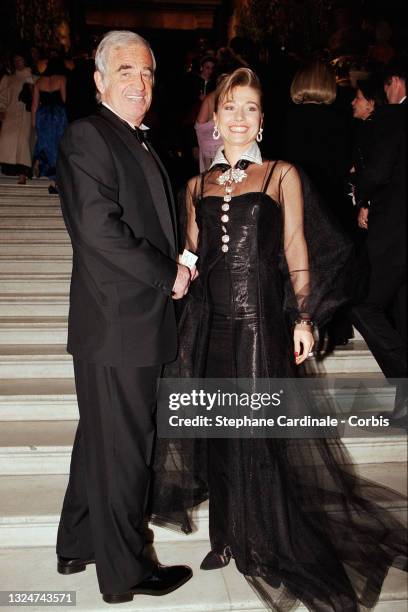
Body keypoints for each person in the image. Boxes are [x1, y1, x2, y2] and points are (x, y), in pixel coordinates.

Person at [152, 68, 407, 612]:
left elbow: (297, 252)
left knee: (260, 435)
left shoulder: (279, 175)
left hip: (262, 324)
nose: (238, 117)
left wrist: (305, 317)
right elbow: (193, 256)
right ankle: (225, 534)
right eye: (229, 108)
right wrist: (174, 275)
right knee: (219, 431)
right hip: (210, 324)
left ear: (261, 120)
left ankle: (263, 538)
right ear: (215, 120)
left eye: (249, 108)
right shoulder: (195, 185)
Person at [55, 30, 193, 604]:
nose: (140, 83)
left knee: (100, 440)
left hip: (125, 323)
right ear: (99, 81)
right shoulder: (90, 135)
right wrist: (169, 274)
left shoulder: (132, 139)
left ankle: (77, 541)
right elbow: (97, 229)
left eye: (147, 74)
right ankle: (127, 572)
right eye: (127, 72)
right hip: (118, 325)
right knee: (125, 450)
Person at [282, 60, 353, 350]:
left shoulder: (286, 119)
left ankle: (298, 322)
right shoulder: (341, 120)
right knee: (332, 267)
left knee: (299, 265)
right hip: (333, 203)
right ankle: (334, 327)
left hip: (298, 203)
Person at [350, 74, 407, 426]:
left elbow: (379, 171)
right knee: (402, 314)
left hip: (394, 230)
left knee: (361, 303)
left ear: (396, 82)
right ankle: (404, 406)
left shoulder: (393, 118)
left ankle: (403, 373)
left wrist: (360, 188)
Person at [32, 56, 68, 194]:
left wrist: (34, 123)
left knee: (44, 144)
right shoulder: (61, 79)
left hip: (43, 116)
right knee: (58, 146)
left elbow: (35, 105)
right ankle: (56, 182)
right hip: (58, 116)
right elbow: (64, 100)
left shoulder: (39, 82)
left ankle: (40, 162)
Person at [0, 53, 35, 184]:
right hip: (10, 114)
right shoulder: (8, 79)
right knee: (6, 139)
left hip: (25, 114)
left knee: (23, 142)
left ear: (25, 61)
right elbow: (2, 97)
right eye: (15, 60)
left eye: (20, 60)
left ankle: (23, 174)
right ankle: (9, 167)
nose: (17, 63)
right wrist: (1, 109)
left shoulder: (33, 77)